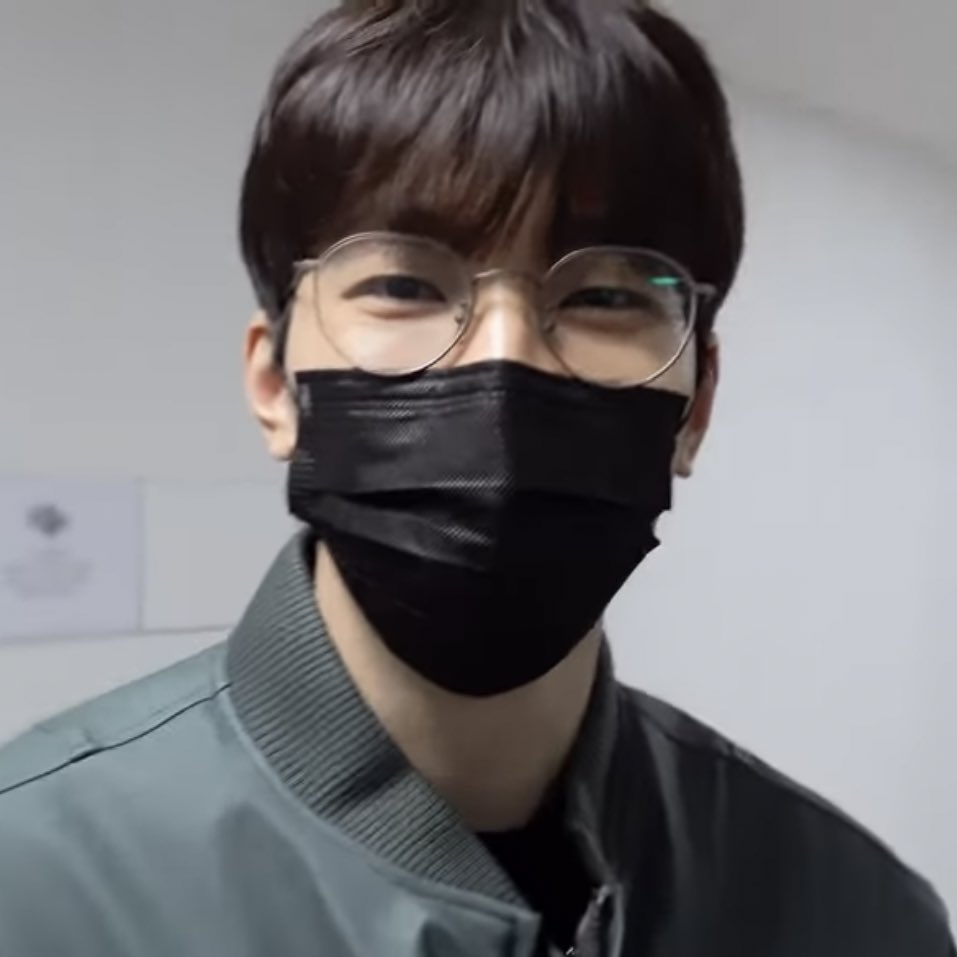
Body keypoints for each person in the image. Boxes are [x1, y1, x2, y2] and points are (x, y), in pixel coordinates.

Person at [0, 1, 952, 954]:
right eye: (403, 286)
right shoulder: (34, 880)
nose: (505, 361)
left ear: (694, 405)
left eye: (603, 296)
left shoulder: (859, 916)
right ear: (274, 385)